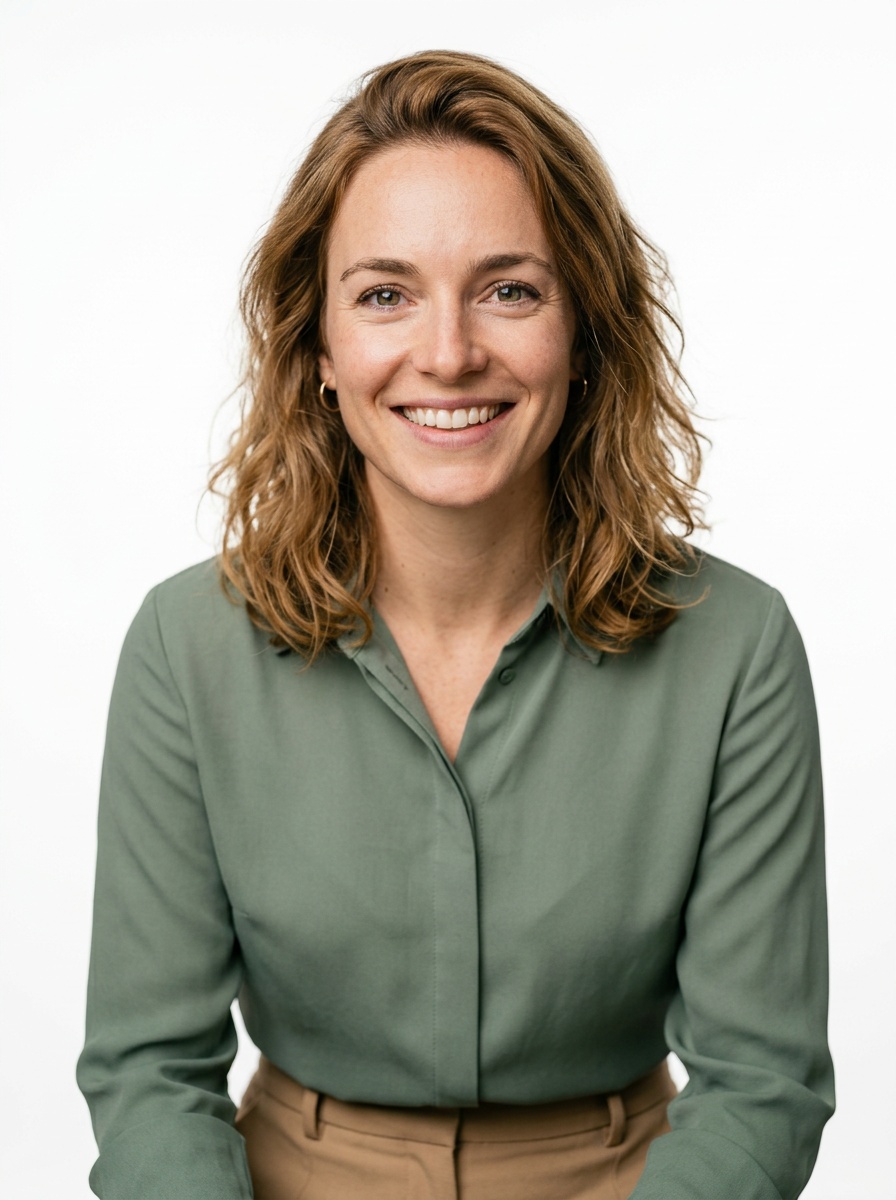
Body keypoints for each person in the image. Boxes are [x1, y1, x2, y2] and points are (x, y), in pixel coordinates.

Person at [77, 49, 834, 1200]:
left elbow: (759, 1081)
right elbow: (148, 1075)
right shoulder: (187, 649)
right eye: (383, 294)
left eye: (508, 289)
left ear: (581, 331)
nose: (446, 352)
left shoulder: (734, 647)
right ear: (317, 348)